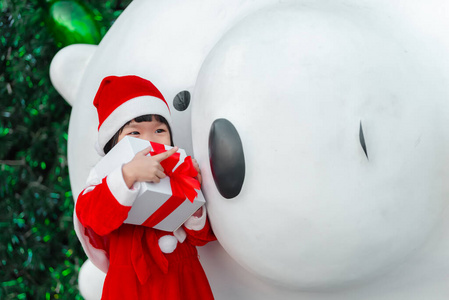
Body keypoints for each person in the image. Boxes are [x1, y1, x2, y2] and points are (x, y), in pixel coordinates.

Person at [74, 75, 216, 300]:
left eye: (159, 130)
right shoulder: (103, 179)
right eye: (134, 133)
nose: (150, 140)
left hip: (183, 279)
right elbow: (92, 217)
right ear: (113, 143)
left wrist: (192, 193)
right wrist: (127, 175)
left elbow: (202, 236)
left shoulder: (178, 171)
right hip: (131, 284)